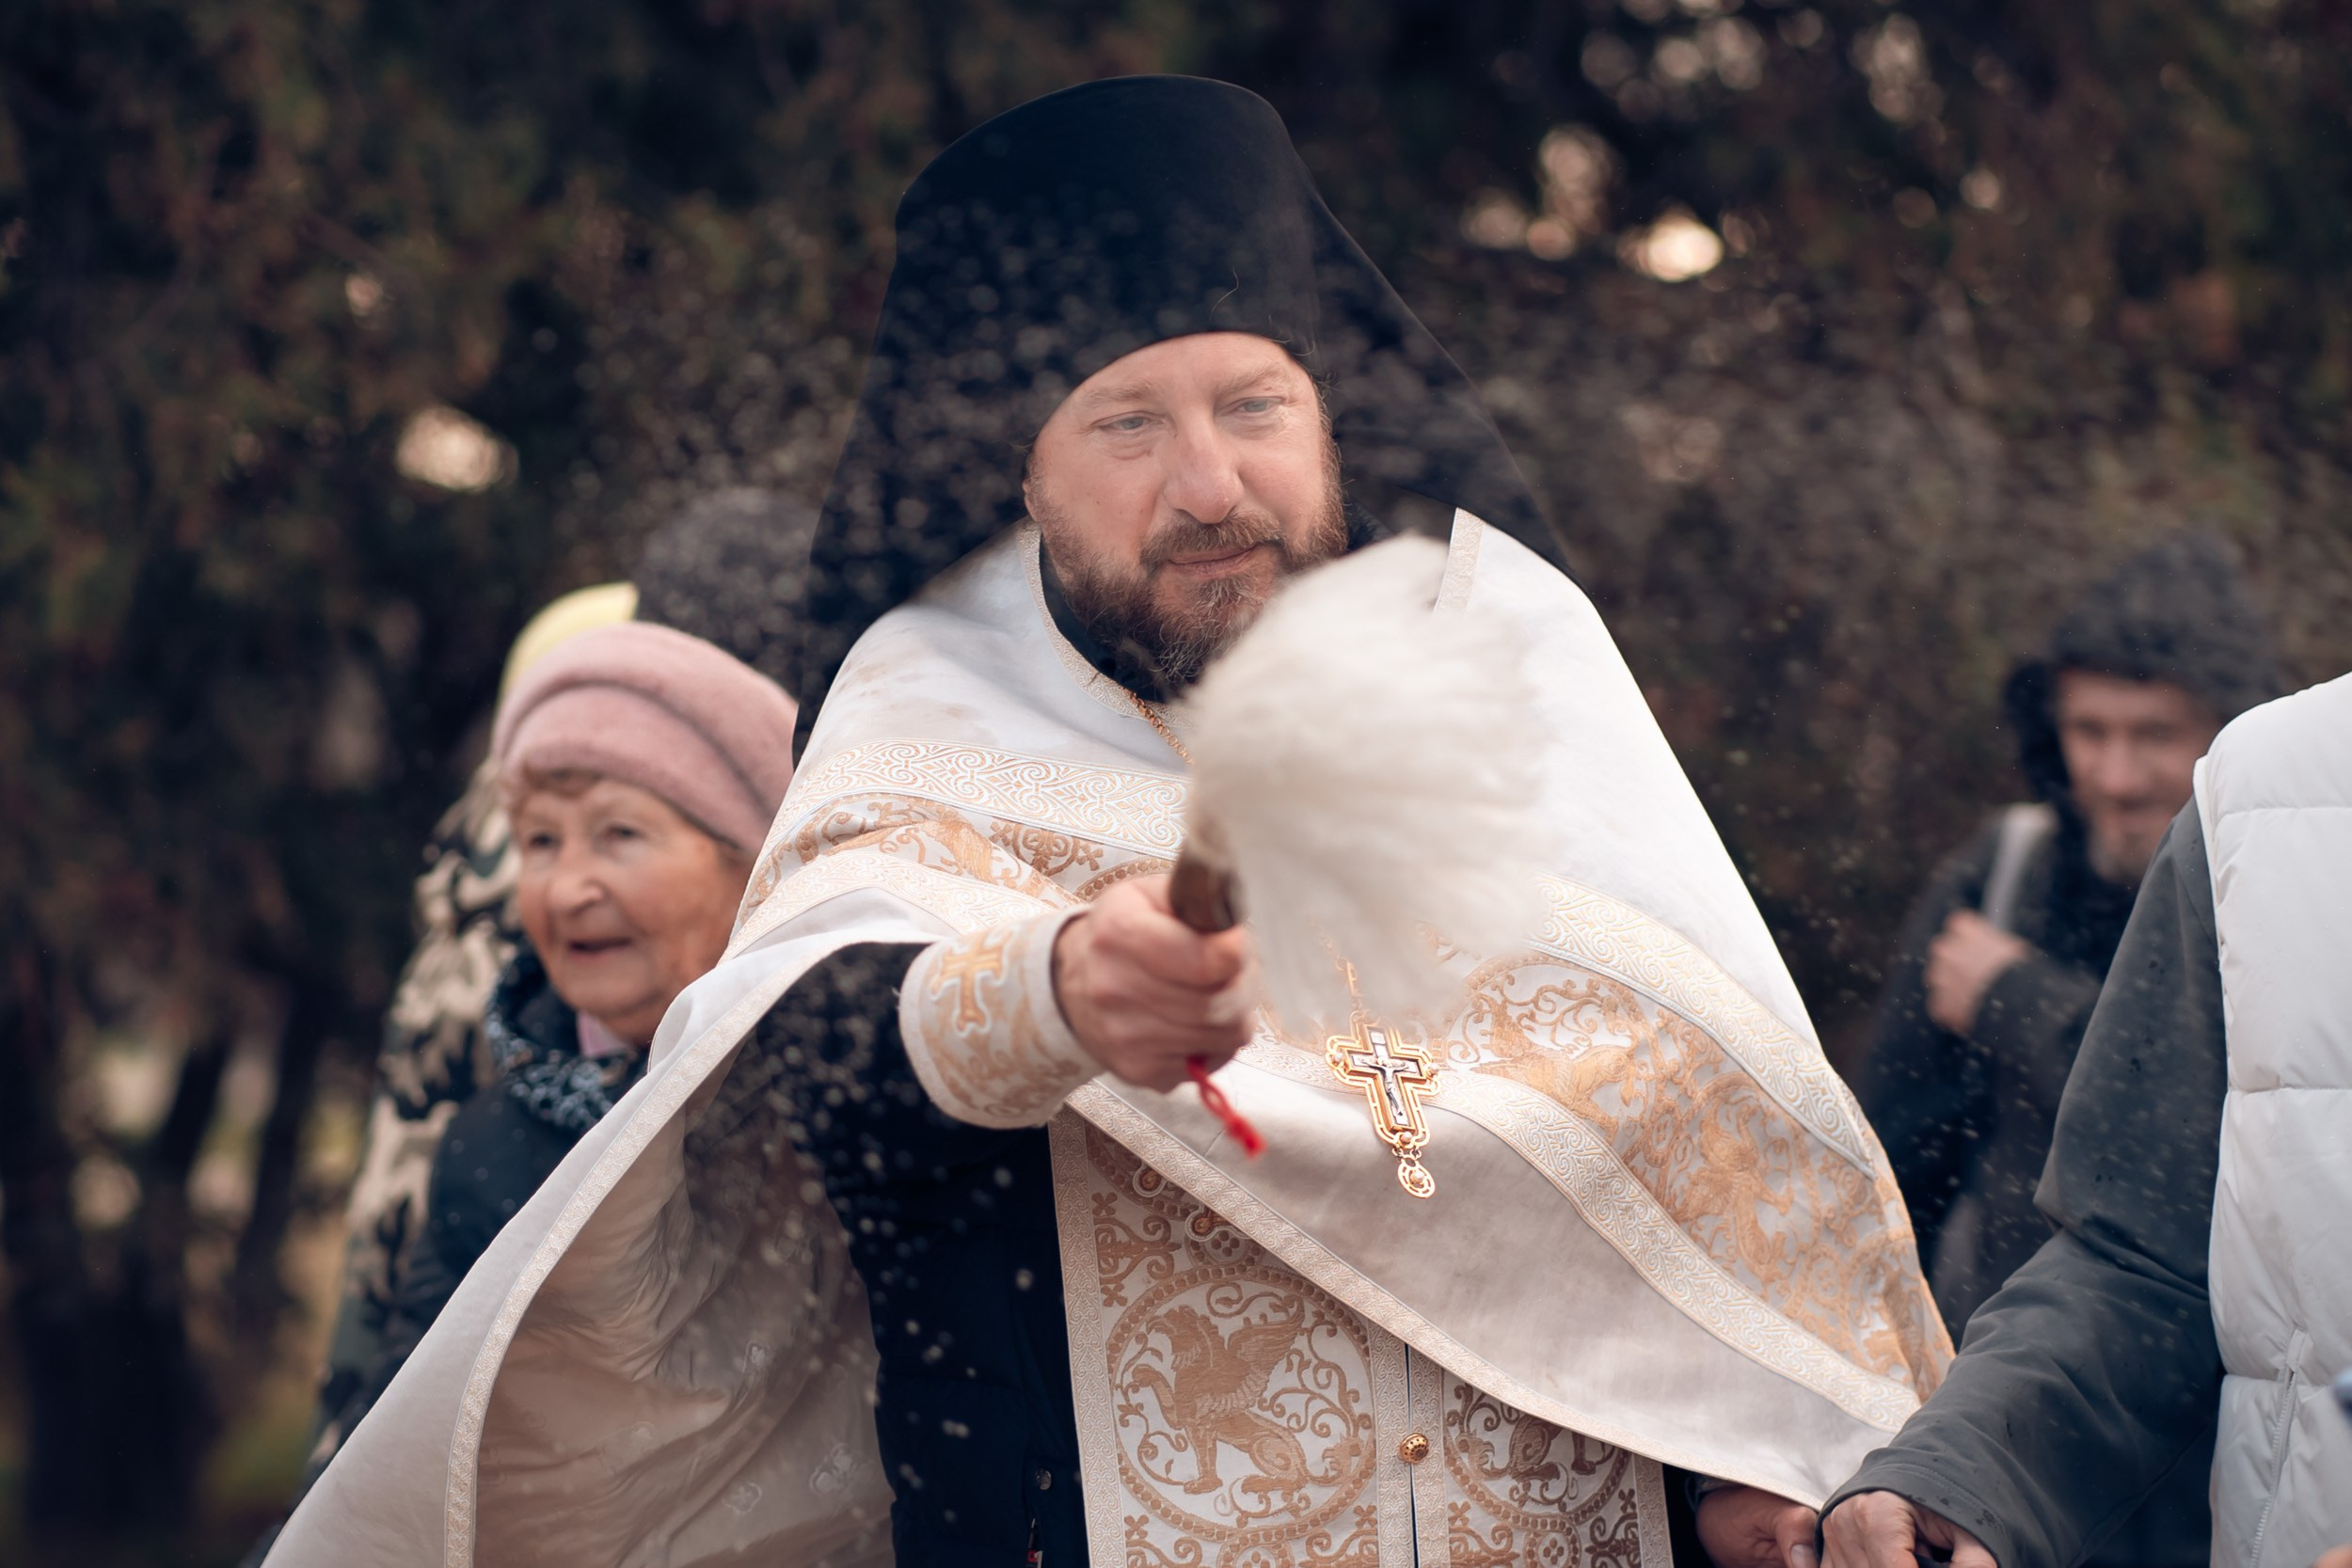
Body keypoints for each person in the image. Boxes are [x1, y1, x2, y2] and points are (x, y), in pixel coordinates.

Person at [264, 78, 1946, 1568]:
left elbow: (1674, 1179)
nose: (1210, 484)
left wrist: (1733, 1471)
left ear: (1333, 421)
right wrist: (1048, 995)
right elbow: (803, 1077)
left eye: (1256, 408)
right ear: (1017, 474)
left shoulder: (1523, 692)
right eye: (1130, 426)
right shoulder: (923, 730)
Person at [303, 489, 818, 1482]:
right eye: (538, 841)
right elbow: (390, 1457)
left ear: (750, 860)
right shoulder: (491, 1146)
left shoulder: (843, 1105)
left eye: (620, 834)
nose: (568, 884)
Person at [1820, 670, 2352, 1568]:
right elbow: (2146, 1251)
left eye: (2152, 733)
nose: (2116, 774)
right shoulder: (2253, 792)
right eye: (2088, 731)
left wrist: (2019, 1000)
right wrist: (1958, 1470)